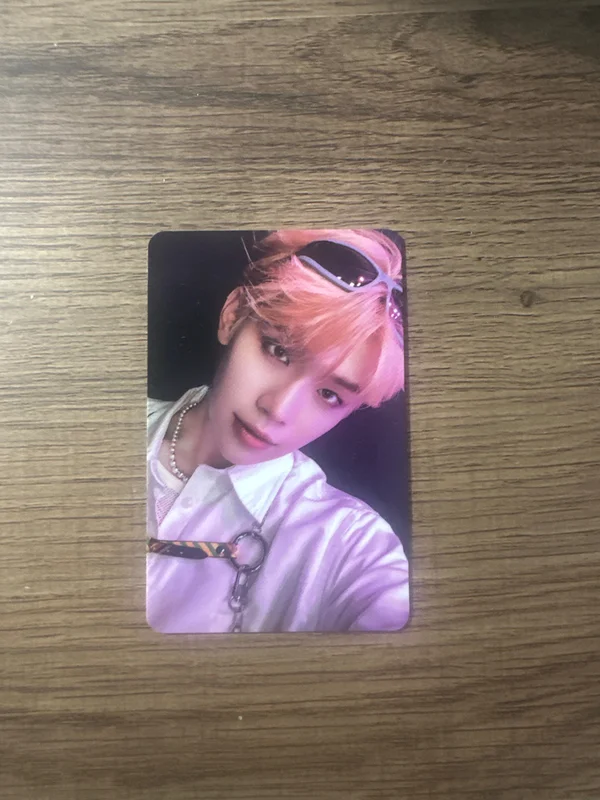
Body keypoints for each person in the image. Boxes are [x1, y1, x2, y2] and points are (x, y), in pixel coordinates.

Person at [146, 228, 410, 633]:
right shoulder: (98, 432)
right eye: (278, 350)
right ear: (233, 315)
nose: (279, 409)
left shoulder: (348, 542)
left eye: (330, 394)